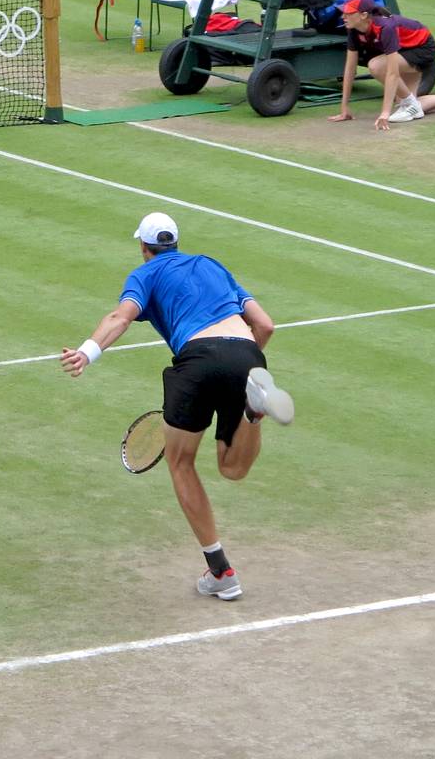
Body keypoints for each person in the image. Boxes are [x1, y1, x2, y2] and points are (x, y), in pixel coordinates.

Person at [61, 212, 292, 602]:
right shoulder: (211, 265)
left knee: (181, 462)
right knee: (232, 467)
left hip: (198, 358)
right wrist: (242, 365)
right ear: (177, 242)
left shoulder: (145, 275)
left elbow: (121, 316)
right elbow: (265, 325)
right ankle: (254, 411)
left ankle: (221, 571)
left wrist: (87, 352)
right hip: (247, 354)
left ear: (143, 247)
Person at [329, 0, 435, 128]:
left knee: (376, 66)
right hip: (404, 52)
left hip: (422, 50)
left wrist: (385, 113)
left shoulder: (385, 28)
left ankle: (412, 103)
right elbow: (350, 69)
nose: (343, 16)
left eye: (349, 13)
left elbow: (392, 72)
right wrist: (344, 107)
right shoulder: (353, 29)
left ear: (364, 15)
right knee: (406, 104)